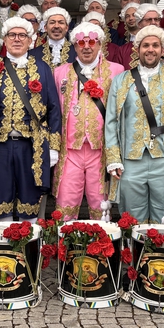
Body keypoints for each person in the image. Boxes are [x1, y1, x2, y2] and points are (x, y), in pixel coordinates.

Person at [0, 17, 61, 222]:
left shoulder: (43, 68)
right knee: (0, 199)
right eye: (12, 35)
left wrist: (53, 147)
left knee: (30, 200)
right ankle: (3, 241)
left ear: (30, 40)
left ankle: (28, 241)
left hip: (32, 147)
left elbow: (54, 109)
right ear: (4, 40)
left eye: (22, 35)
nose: (17, 39)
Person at [105, 25, 164, 224]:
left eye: (155, 45)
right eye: (145, 45)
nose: (150, 49)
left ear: (163, 50)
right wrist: (113, 158)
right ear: (137, 49)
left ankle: (159, 246)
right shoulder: (120, 81)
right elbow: (111, 121)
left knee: (163, 216)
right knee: (132, 217)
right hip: (130, 160)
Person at [52, 22, 123, 220]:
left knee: (101, 206)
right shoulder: (60, 72)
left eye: (91, 42)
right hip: (69, 150)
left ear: (100, 44)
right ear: (75, 46)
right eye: (81, 43)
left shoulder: (117, 71)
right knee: (65, 204)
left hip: (101, 150)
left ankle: (100, 241)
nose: (86, 47)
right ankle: (65, 240)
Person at [135, 4, 164, 73]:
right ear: (139, 24)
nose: (153, 22)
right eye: (149, 20)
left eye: (156, 19)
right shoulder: (124, 50)